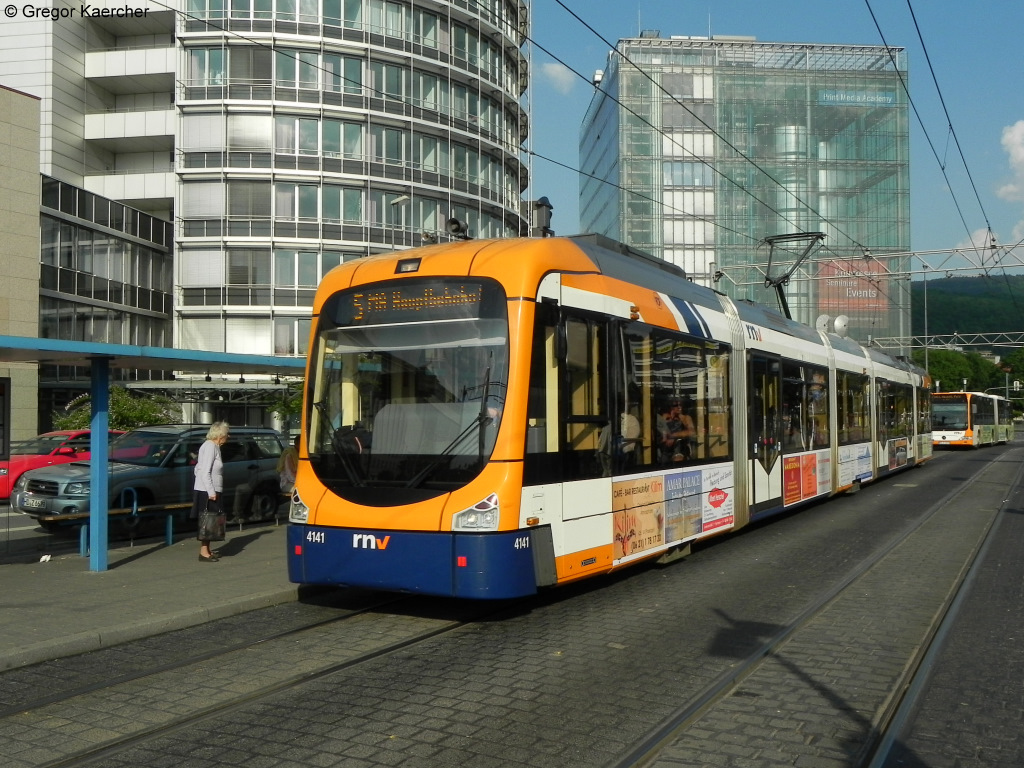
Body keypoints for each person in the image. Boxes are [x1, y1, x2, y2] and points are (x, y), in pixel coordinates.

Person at [191, 421, 229, 562]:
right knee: (208, 520)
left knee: (211, 520)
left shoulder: (214, 447)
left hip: (212, 489)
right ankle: (203, 552)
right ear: (220, 435)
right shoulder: (210, 447)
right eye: (226, 433)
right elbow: (204, 471)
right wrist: (211, 492)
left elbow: (197, 468)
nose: (228, 436)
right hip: (208, 491)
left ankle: (207, 549)